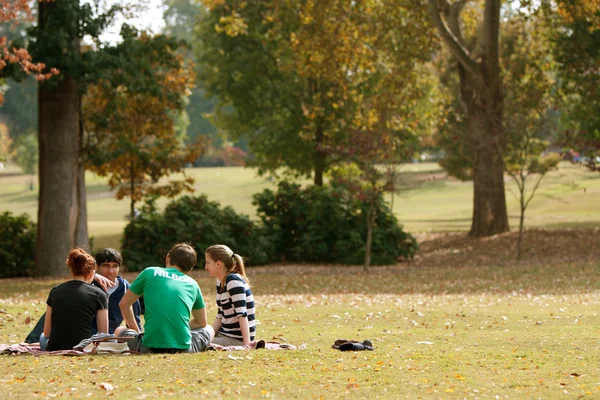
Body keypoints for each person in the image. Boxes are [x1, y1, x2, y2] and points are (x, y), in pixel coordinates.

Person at [24, 248, 142, 343]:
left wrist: (138, 338)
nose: (111, 271)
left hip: (106, 336)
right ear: (97, 267)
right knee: (58, 303)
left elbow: (134, 318)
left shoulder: (127, 288)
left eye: (115, 266)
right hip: (84, 334)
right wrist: (94, 276)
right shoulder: (89, 284)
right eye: (106, 266)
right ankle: (31, 340)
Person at [116, 243, 214, 353]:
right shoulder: (193, 284)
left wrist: (137, 331)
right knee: (209, 329)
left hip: (148, 347)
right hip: (184, 349)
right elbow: (201, 323)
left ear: (168, 257)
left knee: (119, 330)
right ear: (190, 268)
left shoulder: (149, 272)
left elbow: (124, 304)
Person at [40, 248, 109, 351]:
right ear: (91, 273)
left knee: (42, 337)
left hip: (55, 347)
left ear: (72, 270)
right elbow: (103, 334)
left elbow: (46, 332)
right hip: (84, 347)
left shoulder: (55, 291)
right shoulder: (99, 294)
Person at [204, 244, 256, 346]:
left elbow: (242, 315)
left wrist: (247, 345)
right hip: (225, 334)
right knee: (198, 334)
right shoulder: (220, 281)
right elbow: (220, 316)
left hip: (236, 339)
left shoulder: (233, 281)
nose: (205, 267)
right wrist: (207, 334)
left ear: (218, 264)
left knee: (195, 341)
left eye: (208, 263)